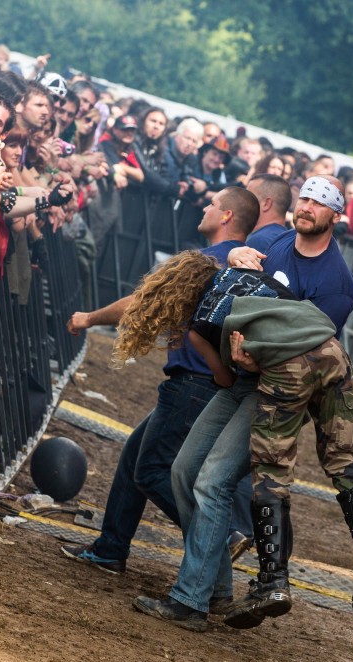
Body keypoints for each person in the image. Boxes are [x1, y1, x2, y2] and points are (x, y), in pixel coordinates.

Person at [132, 176, 353, 632]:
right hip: (239, 379)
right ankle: (216, 588)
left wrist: (252, 358)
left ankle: (190, 601)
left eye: (321, 204)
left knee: (214, 481)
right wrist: (239, 254)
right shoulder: (273, 239)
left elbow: (306, 354)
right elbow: (234, 247)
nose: (308, 207)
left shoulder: (338, 286)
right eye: (305, 198)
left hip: (278, 394)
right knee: (183, 471)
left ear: (335, 217)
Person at [60, 186, 258, 575]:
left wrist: (88, 318)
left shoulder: (203, 261)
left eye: (212, 204)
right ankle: (111, 548)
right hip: (219, 386)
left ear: (227, 217)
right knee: (135, 455)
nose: (204, 207)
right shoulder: (250, 266)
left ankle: (219, 536)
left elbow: (142, 303)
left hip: (192, 386)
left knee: (152, 469)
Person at [244, 174, 290, 253]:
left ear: (266, 204)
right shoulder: (286, 238)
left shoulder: (260, 241)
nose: (242, 202)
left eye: (248, 197)